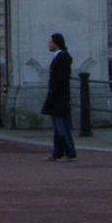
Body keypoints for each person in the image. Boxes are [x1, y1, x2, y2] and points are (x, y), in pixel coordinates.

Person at [42, 32, 76, 161]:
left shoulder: (61, 58)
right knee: (57, 127)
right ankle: (58, 153)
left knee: (61, 127)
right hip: (59, 96)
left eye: (50, 42)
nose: (48, 44)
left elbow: (60, 80)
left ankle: (69, 152)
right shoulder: (60, 57)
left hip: (59, 97)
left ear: (56, 44)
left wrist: (53, 92)